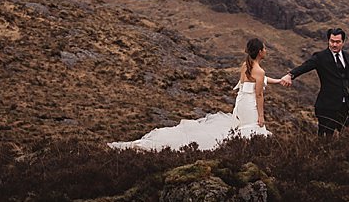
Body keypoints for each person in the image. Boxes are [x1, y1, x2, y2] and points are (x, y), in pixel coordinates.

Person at [109, 37, 276, 151]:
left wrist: (278, 81)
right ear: (260, 52)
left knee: (241, 130)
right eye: (265, 48)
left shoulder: (246, 66)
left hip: (240, 105)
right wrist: (261, 116)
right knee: (254, 128)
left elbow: (256, 80)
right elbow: (259, 95)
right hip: (251, 106)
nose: (266, 50)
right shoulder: (259, 71)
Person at [277, 28, 349, 136]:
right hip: (326, 106)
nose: (334, 45)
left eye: (337, 42)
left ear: (343, 42)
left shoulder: (348, 57)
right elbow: (305, 66)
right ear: (328, 41)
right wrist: (290, 75)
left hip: (343, 106)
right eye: (332, 41)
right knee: (325, 138)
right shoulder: (320, 57)